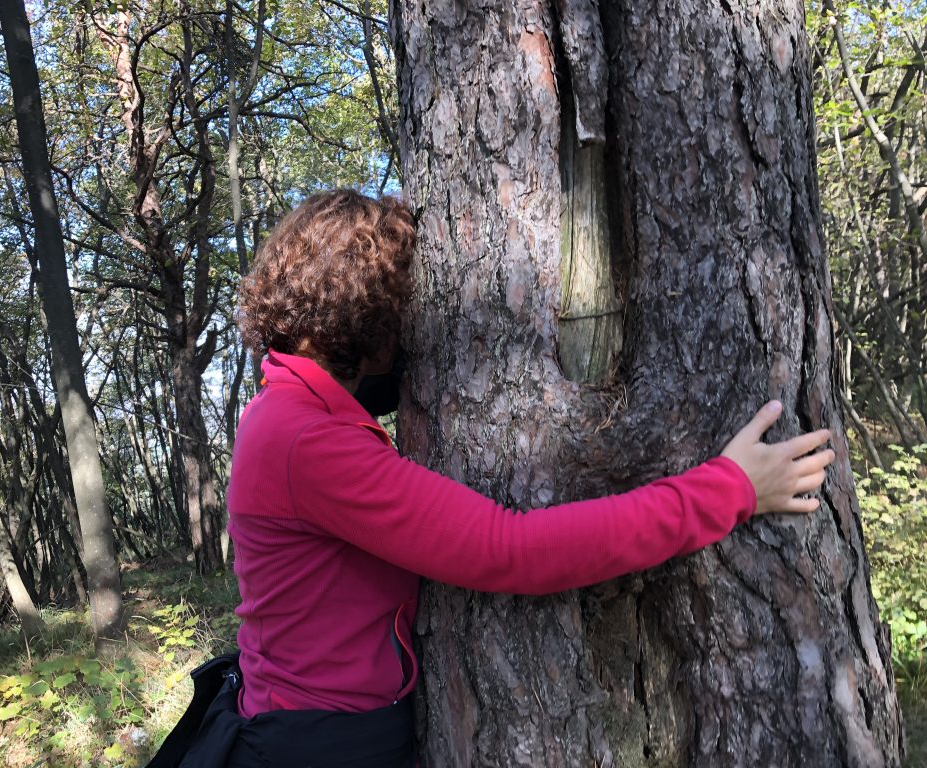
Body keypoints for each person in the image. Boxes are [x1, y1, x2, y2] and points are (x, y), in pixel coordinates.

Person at [222, 189, 835, 766]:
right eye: (406, 308)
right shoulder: (306, 438)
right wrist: (730, 490)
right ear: (372, 317)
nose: (413, 330)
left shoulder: (291, 407)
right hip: (320, 745)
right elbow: (511, 549)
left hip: (314, 725)